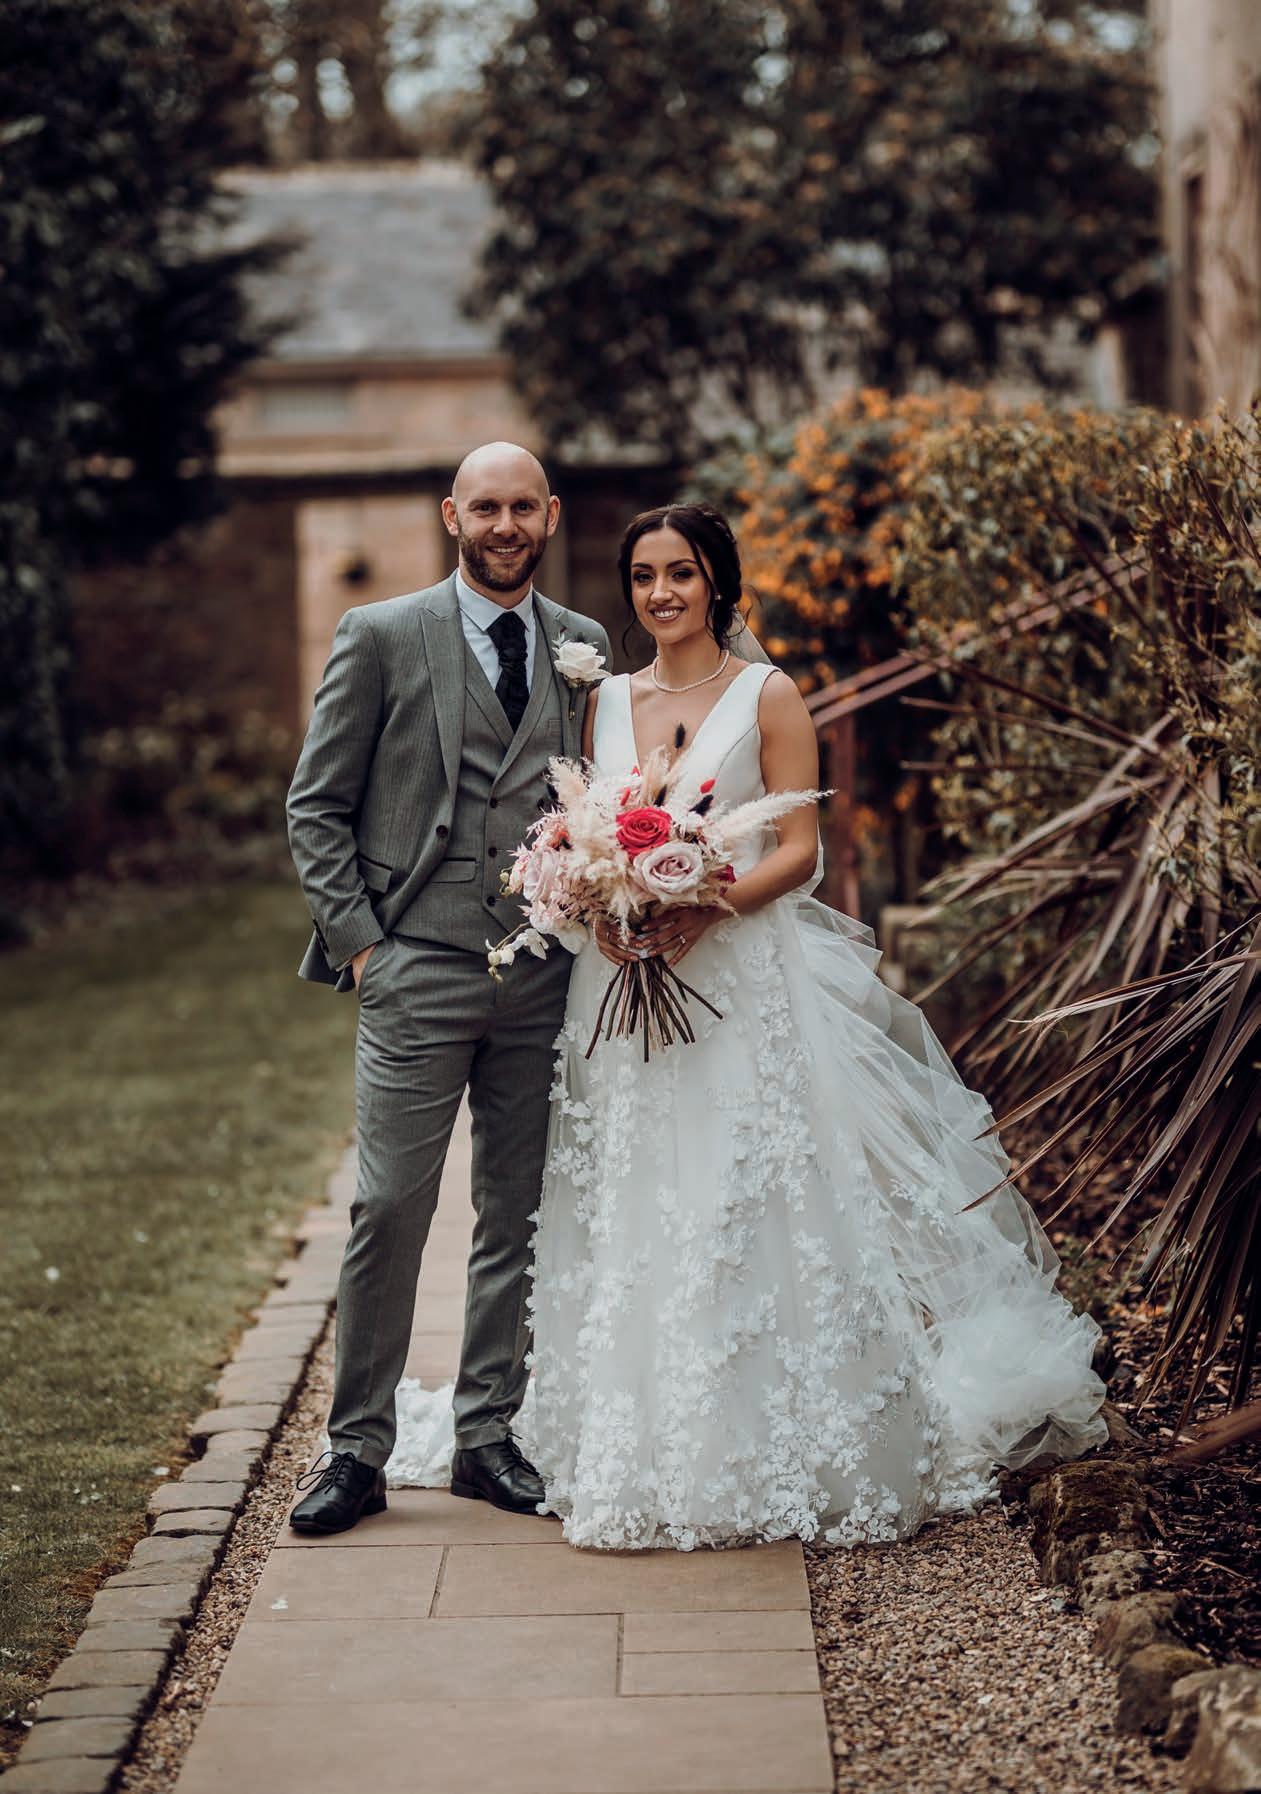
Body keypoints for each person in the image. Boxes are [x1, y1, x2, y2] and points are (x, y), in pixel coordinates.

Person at [384, 501, 1108, 1551]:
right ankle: (631, 1432)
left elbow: (799, 850)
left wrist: (702, 908)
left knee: (741, 1190)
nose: (660, 594)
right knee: (630, 1190)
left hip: (737, 985)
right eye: (643, 576)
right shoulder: (606, 699)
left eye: (680, 573)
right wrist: (603, 905)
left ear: (717, 582)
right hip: (619, 987)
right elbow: (580, 830)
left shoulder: (769, 694)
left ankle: (769, 1433)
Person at [284, 442, 610, 1533]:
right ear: (451, 515)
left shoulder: (583, 643)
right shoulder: (380, 634)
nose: (503, 525)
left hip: (540, 970)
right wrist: (364, 947)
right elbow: (315, 806)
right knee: (388, 1205)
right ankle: (354, 1451)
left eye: (521, 507)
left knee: (515, 1209)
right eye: (485, 507)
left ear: (549, 515)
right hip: (413, 962)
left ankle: (486, 1435)